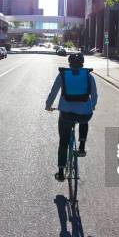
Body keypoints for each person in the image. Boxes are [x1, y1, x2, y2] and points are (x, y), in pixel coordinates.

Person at [45, 52, 98, 182]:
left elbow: (54, 91)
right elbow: (94, 95)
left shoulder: (63, 74)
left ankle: (61, 172)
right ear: (82, 63)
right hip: (84, 114)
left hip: (66, 113)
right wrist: (92, 106)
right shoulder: (88, 76)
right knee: (85, 117)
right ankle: (81, 146)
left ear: (69, 63)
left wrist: (48, 105)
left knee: (63, 142)